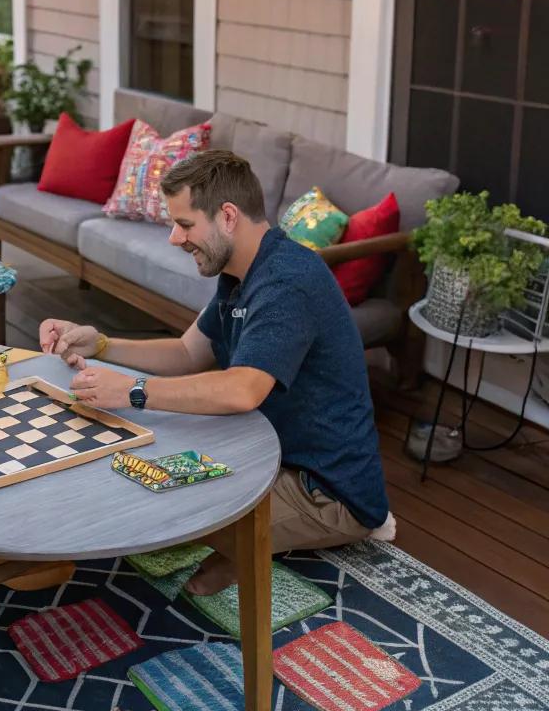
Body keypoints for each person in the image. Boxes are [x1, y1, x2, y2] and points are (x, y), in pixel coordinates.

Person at [39, 149, 395, 597]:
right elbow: (189, 352)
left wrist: (132, 390)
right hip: (264, 451)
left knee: (159, 516)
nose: (173, 237)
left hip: (325, 490)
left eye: (184, 224)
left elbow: (242, 389)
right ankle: (236, 541)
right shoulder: (240, 270)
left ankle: (245, 548)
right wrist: (104, 344)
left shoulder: (287, 281)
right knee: (131, 475)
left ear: (227, 217)